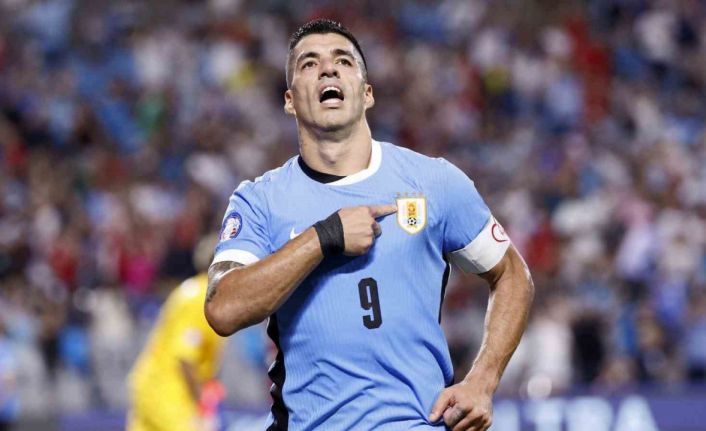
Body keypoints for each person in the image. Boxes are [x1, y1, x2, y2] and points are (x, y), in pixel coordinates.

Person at [205, 19, 534, 431]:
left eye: (343, 61)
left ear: (367, 93)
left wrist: (482, 381)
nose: (328, 69)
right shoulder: (260, 200)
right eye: (309, 64)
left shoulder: (434, 182)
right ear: (290, 100)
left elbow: (513, 274)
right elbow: (223, 308)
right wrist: (323, 238)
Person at [128, 237, 227, 431]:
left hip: (150, 385)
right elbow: (185, 358)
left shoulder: (190, 290)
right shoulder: (203, 298)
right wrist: (203, 407)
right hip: (170, 393)